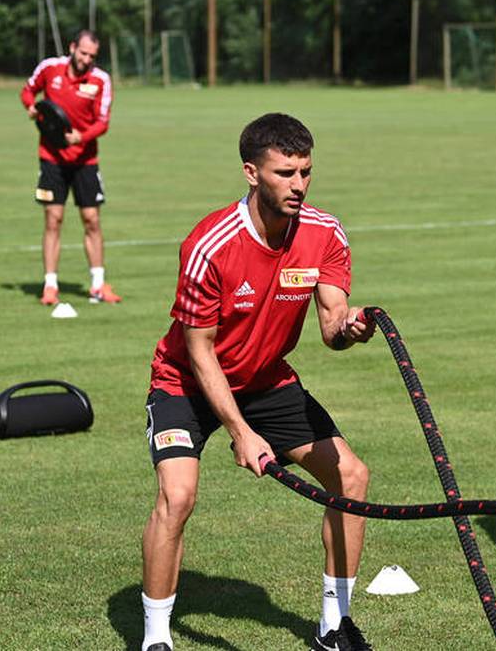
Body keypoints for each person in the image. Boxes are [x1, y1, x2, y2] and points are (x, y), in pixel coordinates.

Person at [140, 113, 377, 651]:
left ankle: (333, 627)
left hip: (267, 380)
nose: (298, 185)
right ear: (251, 172)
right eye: (285, 173)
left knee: (352, 477)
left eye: (306, 172)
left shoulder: (324, 234)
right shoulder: (210, 244)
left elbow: (332, 328)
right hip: (187, 383)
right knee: (177, 497)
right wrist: (241, 431)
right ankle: (156, 638)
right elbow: (199, 351)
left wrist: (352, 328)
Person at [19, 30, 119, 305]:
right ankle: (50, 285)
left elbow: (103, 121)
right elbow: (28, 91)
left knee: (92, 220)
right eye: (83, 52)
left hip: (85, 161)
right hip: (51, 158)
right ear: (73, 47)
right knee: (53, 219)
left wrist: (81, 137)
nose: (87, 59)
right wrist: (30, 106)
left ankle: (98, 285)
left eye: (92, 56)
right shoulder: (50, 68)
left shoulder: (101, 79)